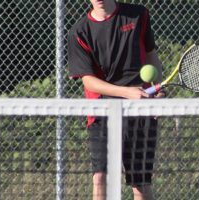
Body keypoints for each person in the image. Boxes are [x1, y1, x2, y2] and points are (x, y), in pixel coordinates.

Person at [68, 0, 165, 199]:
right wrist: (127, 92)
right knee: (100, 178)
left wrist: (156, 89)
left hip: (140, 110)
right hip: (101, 112)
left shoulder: (138, 15)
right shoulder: (79, 32)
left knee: (141, 184)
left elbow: (151, 56)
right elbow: (89, 81)